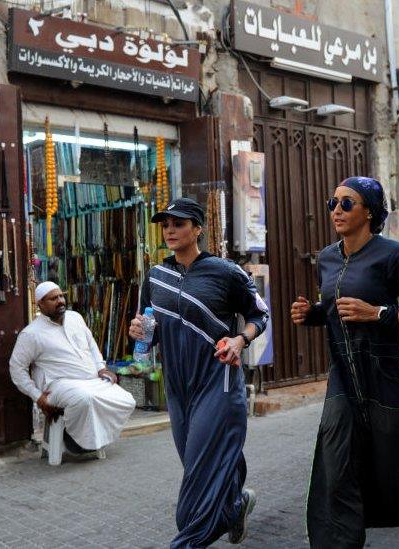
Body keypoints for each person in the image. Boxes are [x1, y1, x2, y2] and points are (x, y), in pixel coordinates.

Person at [290, 177, 399, 549]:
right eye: (332, 202)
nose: (336, 209)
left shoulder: (396, 255)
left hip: (388, 379)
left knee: (387, 487)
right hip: (343, 379)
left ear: (369, 211)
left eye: (347, 203)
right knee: (335, 473)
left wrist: (376, 312)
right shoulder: (328, 257)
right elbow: (339, 308)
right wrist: (315, 313)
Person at [128, 197, 269, 548]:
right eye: (166, 224)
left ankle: (188, 539)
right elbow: (155, 328)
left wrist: (239, 340)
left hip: (217, 384)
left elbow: (260, 314)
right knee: (201, 461)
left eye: (179, 223)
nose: (170, 230)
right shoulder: (156, 276)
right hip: (178, 390)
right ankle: (236, 506)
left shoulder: (226, 272)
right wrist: (142, 332)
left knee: (196, 483)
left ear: (198, 228)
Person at [9, 281, 136, 454]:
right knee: (84, 399)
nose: (60, 301)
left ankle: (90, 438)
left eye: (61, 296)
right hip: (59, 385)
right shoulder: (31, 334)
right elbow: (16, 369)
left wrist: (101, 368)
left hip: (91, 380)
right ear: (40, 304)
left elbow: (91, 345)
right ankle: (75, 441)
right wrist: (37, 396)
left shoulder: (75, 317)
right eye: (53, 298)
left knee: (126, 399)